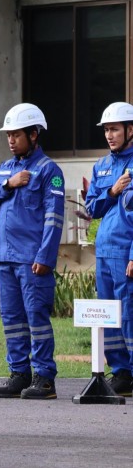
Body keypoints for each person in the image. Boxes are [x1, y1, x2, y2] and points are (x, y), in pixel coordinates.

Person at [0, 103, 64, 400]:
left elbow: (54, 220)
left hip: (31, 260)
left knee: (36, 318)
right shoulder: (5, 168)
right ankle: (19, 374)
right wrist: (9, 184)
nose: (11, 140)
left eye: (16, 134)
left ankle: (44, 378)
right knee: (12, 318)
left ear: (34, 134)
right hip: (5, 257)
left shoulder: (49, 171)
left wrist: (45, 257)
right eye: (8, 135)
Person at [86, 102, 133, 397]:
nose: (109, 135)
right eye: (106, 130)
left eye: (114, 129)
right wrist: (112, 190)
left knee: (129, 313)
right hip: (104, 251)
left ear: (131, 130)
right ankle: (122, 373)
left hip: (126, 252)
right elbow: (92, 207)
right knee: (109, 315)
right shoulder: (101, 166)